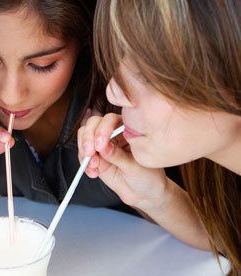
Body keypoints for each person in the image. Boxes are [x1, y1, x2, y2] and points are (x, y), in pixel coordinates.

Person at [0, 0, 145, 210]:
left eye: (43, 65)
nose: (11, 97)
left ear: (84, 38)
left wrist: (151, 197)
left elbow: (178, 206)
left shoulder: (135, 95)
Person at [78, 0, 240, 274]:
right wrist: (156, 197)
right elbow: (231, 241)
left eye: (148, 72)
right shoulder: (221, 177)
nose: (113, 94)